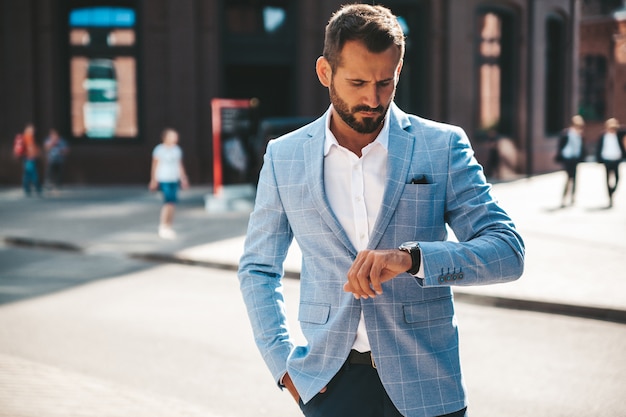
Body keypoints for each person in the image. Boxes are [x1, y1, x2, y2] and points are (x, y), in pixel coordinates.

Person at [237, 5, 525, 417]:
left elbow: (508, 252)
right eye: (357, 82)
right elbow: (257, 269)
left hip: (428, 384)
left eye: (384, 82)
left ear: (398, 71)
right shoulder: (284, 157)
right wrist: (284, 367)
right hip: (329, 387)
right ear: (325, 72)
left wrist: (412, 259)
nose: (373, 99)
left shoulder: (441, 146)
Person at [149, 128, 189, 239]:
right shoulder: (159, 150)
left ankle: (169, 225)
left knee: (172, 203)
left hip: (174, 178)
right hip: (164, 178)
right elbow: (155, 165)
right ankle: (163, 225)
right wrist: (153, 179)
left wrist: (183, 178)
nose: (175, 138)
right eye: (172, 136)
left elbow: (179, 165)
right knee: (168, 202)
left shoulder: (177, 150)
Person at [555, 115, 586, 207]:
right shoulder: (566, 133)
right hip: (567, 158)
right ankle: (564, 198)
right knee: (568, 178)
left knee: (575, 178)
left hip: (575, 158)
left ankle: (572, 197)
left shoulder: (579, 135)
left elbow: (581, 147)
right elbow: (561, 146)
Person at [595, 118, 626, 208]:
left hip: (616, 158)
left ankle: (612, 191)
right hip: (606, 158)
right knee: (607, 178)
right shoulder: (603, 135)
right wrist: (599, 159)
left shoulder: (619, 134)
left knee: (617, 177)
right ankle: (610, 197)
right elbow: (599, 147)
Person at [19, 123, 43, 197]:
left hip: (26, 157)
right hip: (30, 158)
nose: (33, 131)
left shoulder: (24, 136)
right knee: (32, 173)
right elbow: (30, 147)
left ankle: (27, 189)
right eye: (32, 130)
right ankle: (37, 188)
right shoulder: (29, 137)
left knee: (27, 173)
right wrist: (35, 153)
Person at [44, 128, 69, 192]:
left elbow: (66, 150)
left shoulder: (61, 141)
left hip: (59, 160)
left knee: (59, 173)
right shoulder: (48, 140)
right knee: (49, 172)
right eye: (52, 135)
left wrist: (61, 150)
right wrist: (52, 144)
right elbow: (46, 148)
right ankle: (48, 184)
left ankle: (58, 185)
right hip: (51, 160)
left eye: (55, 135)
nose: (53, 136)